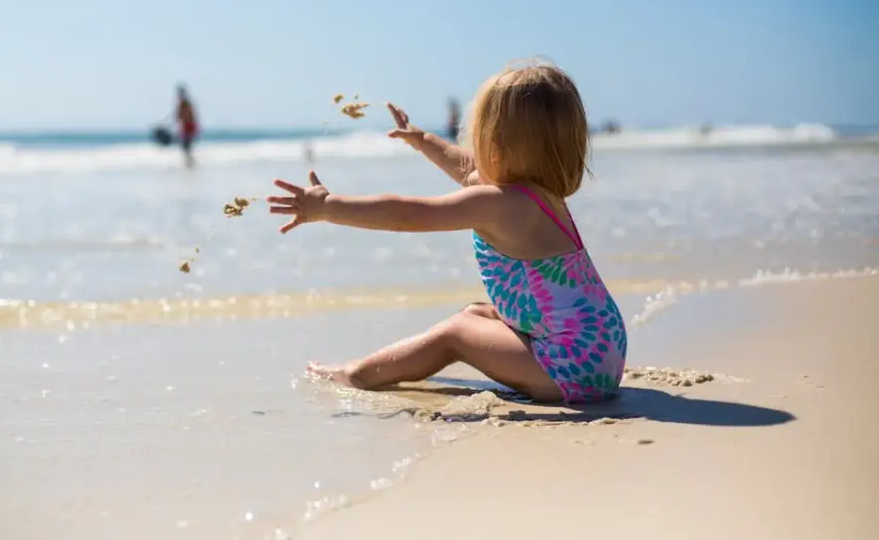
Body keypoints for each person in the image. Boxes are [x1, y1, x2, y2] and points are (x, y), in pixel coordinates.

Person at [267, 60, 626, 404]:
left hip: (571, 368)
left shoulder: (503, 204)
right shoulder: (539, 197)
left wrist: (329, 207)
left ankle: (357, 374)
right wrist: (422, 139)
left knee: (456, 334)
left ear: (496, 147)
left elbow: (409, 214)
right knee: (475, 314)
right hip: (599, 349)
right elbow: (468, 169)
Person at [175, 84, 199, 168]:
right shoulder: (183, 104)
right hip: (186, 127)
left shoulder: (185, 104)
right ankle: (189, 162)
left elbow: (186, 116)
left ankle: (190, 163)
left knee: (187, 146)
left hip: (189, 127)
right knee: (186, 147)